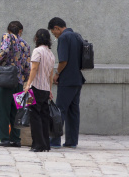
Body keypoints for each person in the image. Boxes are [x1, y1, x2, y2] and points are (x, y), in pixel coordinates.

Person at [47, 17, 85, 149]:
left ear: (57, 28)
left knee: (60, 110)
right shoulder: (77, 36)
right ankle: (72, 141)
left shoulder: (64, 38)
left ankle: (55, 141)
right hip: (77, 79)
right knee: (74, 111)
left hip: (67, 79)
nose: (54, 35)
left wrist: (57, 74)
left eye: (53, 32)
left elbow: (63, 61)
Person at [0, 21, 31, 147]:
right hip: (19, 81)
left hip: (5, 80)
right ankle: (16, 139)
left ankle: (4, 138)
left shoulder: (7, 36)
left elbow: (4, 50)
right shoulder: (25, 44)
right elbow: (27, 65)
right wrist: (25, 80)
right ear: (20, 30)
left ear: (9, 30)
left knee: (4, 109)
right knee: (17, 111)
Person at [23, 29, 55, 152]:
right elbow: (50, 75)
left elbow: (34, 68)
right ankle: (46, 144)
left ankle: (37, 144)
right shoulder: (51, 54)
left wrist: (28, 84)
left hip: (35, 88)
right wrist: (50, 90)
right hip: (45, 89)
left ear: (36, 38)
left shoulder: (37, 51)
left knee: (34, 116)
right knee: (44, 117)